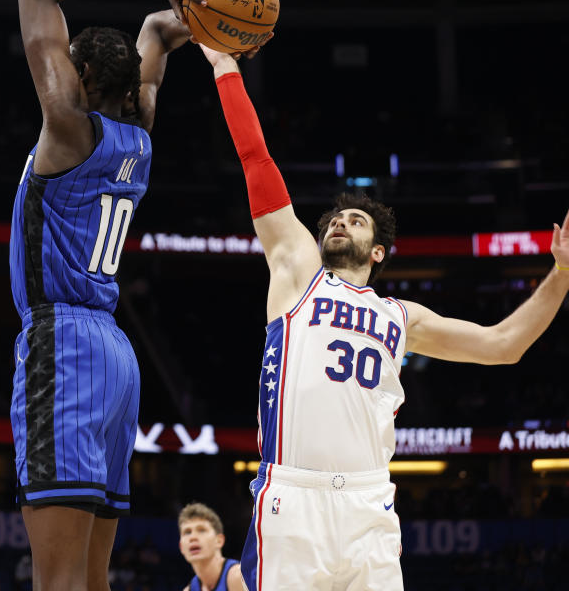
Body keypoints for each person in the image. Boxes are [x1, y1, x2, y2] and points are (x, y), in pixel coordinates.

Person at [198, 43, 569, 590]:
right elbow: (258, 161)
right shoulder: (300, 271)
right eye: (335, 219)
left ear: (378, 252)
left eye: (356, 220)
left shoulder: (401, 316)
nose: (340, 224)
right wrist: (224, 68)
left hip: (370, 504)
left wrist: (561, 275)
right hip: (293, 495)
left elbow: (503, 344)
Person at [10, 0, 225, 589]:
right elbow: (161, 31)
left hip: (64, 343)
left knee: (57, 580)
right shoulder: (141, 131)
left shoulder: (66, 130)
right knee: (93, 579)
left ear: (76, 74)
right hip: (114, 354)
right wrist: (229, 29)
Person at [177, 503, 241, 591]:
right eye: (187, 532)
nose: (193, 537)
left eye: (201, 530)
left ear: (219, 540)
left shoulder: (238, 577)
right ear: (181, 547)